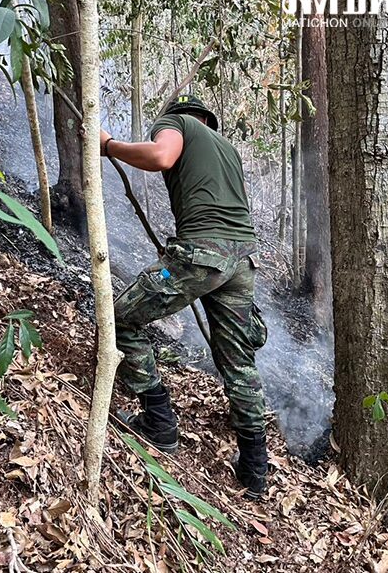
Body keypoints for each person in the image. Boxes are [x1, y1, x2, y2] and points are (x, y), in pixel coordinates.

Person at [99, 94, 270, 499]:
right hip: (242, 260)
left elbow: (161, 157)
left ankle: (159, 422)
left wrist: (108, 146)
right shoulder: (227, 149)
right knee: (238, 363)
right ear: (209, 118)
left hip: (203, 253)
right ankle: (255, 471)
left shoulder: (178, 124)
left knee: (120, 315)